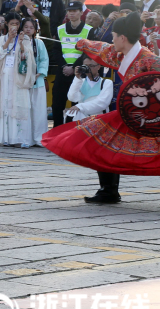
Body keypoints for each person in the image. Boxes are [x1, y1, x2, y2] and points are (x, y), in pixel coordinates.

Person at [43, 12, 160, 204]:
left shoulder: (149, 59)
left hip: (151, 117)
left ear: (122, 38)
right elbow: (102, 49)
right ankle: (108, 190)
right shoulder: (121, 54)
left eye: (113, 36)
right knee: (100, 137)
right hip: (130, 114)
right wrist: (82, 43)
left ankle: (109, 190)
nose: (111, 40)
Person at [0, 12, 36, 147]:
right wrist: (9, 41)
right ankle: (2, 137)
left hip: (17, 77)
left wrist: (21, 45)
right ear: (7, 24)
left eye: (17, 24)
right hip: (3, 76)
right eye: (12, 23)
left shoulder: (25, 39)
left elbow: (28, 59)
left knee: (17, 103)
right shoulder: (1, 39)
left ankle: (17, 138)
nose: (15, 26)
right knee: (2, 104)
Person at [52, 1, 97, 127]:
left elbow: (88, 52)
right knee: (57, 104)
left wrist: (74, 67)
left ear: (81, 13)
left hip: (80, 72)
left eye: (75, 11)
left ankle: (73, 132)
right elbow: (56, 50)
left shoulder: (89, 30)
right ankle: (57, 132)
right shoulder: (60, 29)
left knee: (76, 105)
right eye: (69, 11)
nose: (71, 13)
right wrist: (64, 66)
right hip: (62, 71)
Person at [22, 18, 50, 145]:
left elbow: (44, 59)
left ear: (35, 30)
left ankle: (39, 138)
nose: (28, 29)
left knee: (39, 110)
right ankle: (25, 138)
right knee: (24, 110)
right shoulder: (18, 42)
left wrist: (40, 72)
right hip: (22, 81)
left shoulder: (39, 43)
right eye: (26, 27)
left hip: (37, 80)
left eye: (31, 27)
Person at [67, 57, 114, 122]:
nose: (88, 69)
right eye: (85, 66)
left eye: (91, 66)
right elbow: (72, 98)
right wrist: (77, 78)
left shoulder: (106, 82)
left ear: (98, 67)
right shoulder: (80, 81)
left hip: (99, 119)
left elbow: (102, 103)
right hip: (81, 118)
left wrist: (80, 107)